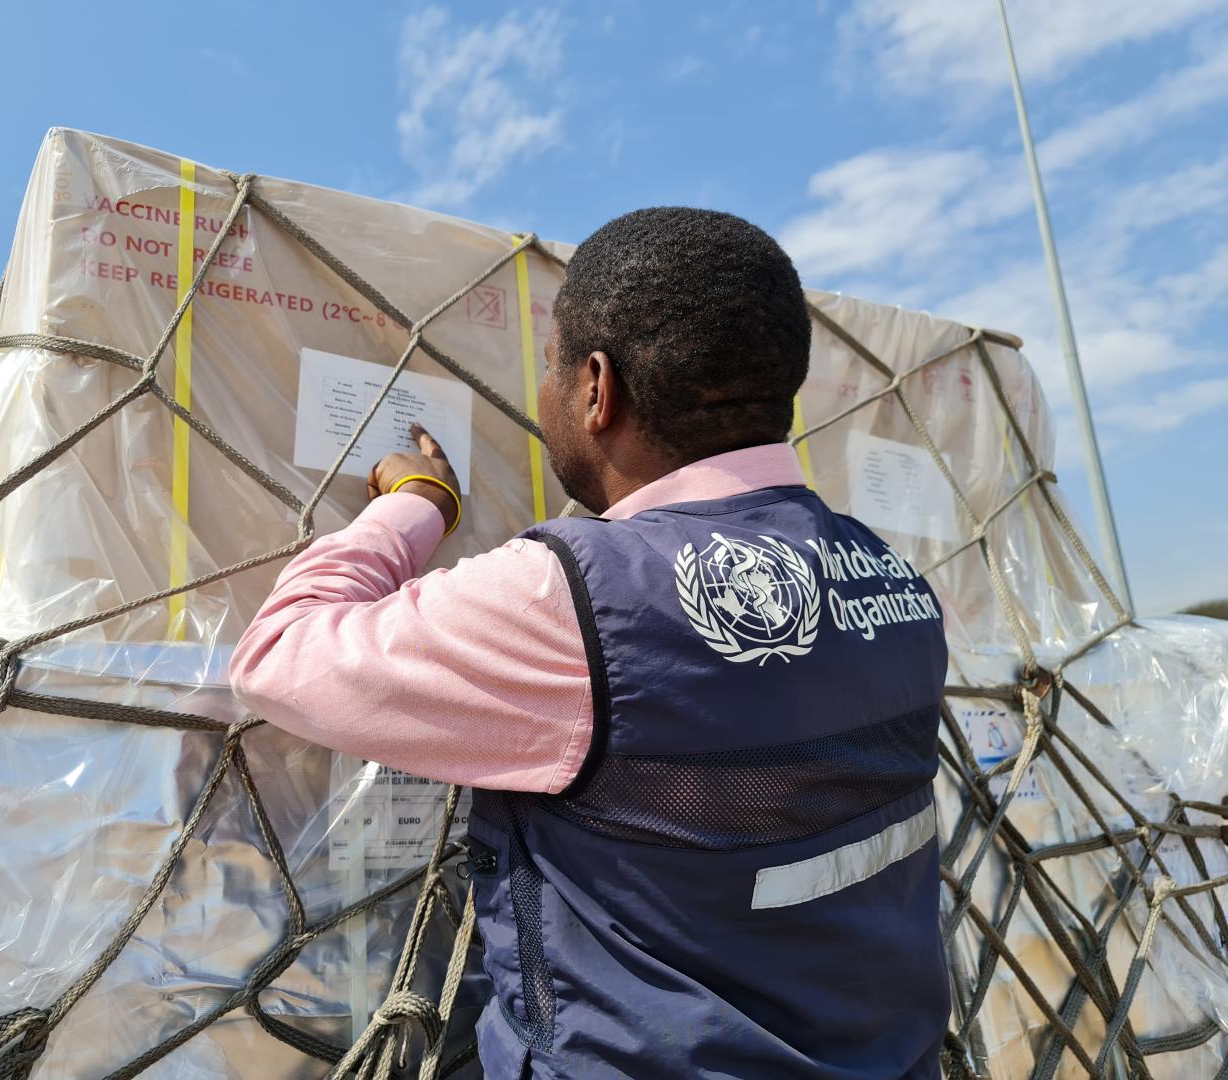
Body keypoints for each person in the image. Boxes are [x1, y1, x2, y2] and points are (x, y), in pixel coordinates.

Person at [231, 208, 950, 1079]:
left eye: (551, 365)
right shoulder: (893, 582)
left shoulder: (577, 595)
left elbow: (279, 656)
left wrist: (414, 503)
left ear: (596, 387)